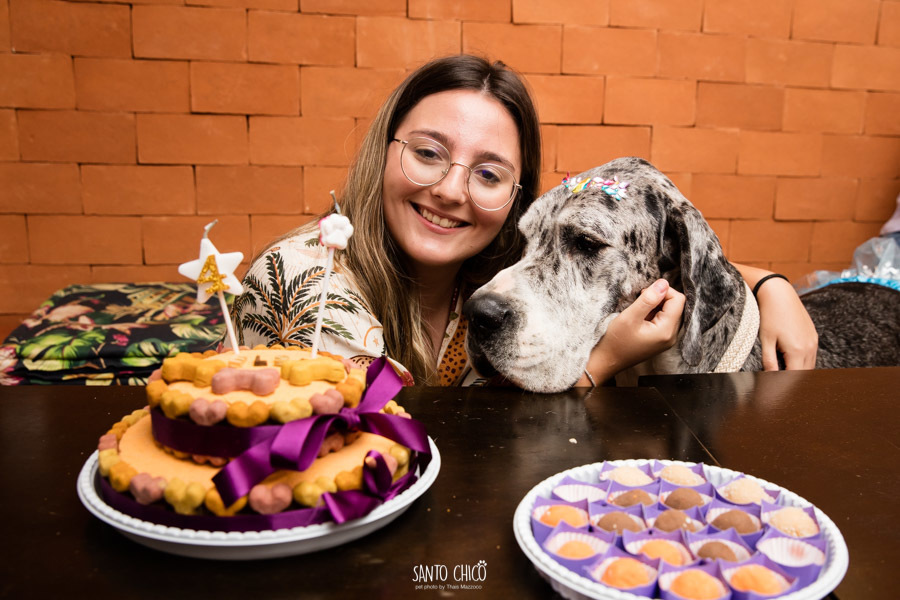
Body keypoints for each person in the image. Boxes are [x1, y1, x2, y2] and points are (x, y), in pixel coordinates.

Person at [231, 54, 817, 386]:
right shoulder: (302, 282)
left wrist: (769, 283)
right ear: (384, 150)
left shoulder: (490, 261)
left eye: (488, 174)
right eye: (428, 153)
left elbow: (621, 249)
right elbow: (394, 460)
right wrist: (603, 363)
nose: (452, 190)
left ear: (516, 196)